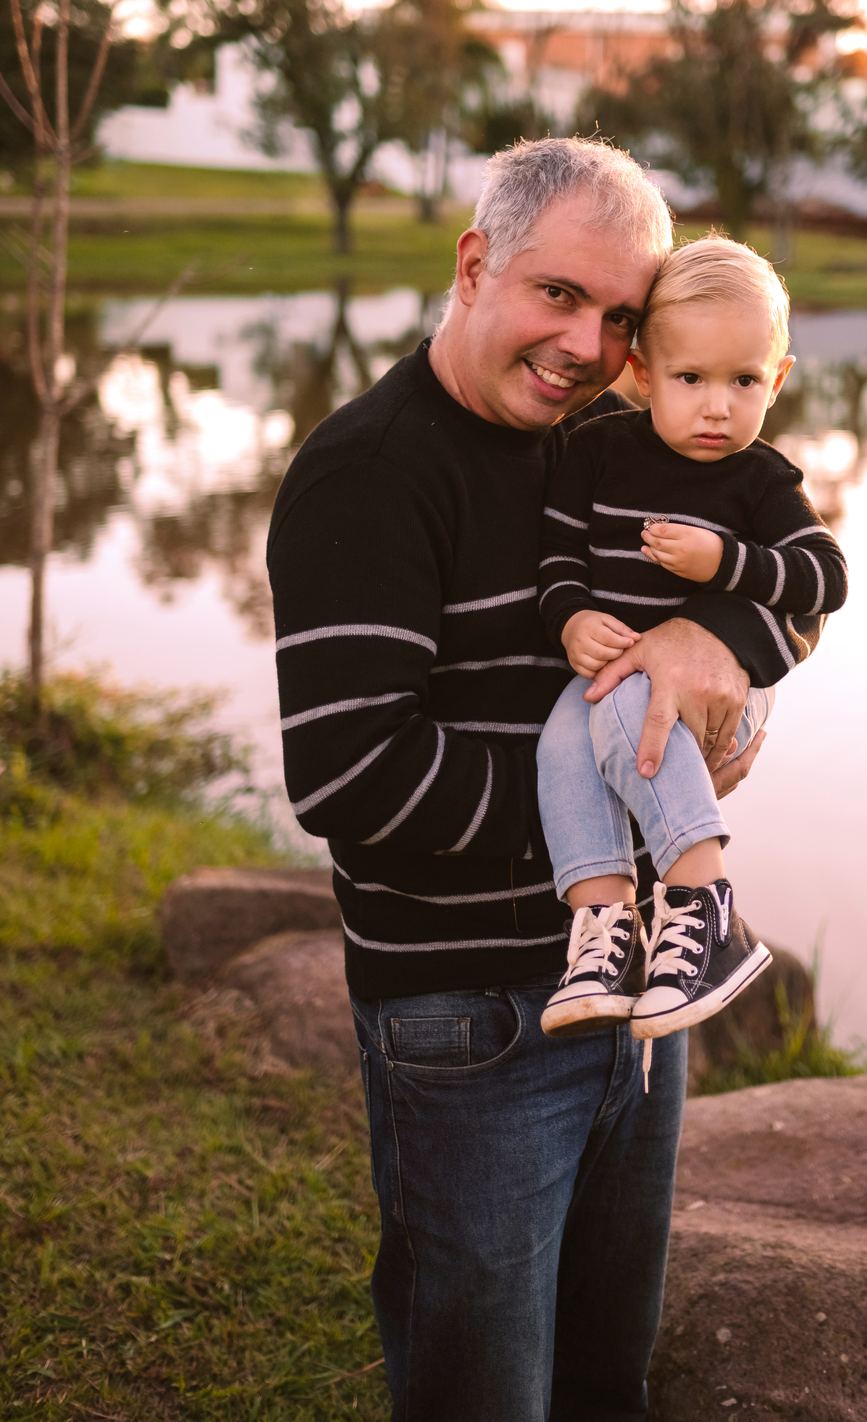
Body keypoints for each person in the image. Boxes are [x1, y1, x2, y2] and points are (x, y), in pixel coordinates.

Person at [266, 138, 825, 1422]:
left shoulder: (608, 454)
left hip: (631, 1003)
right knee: (486, 1399)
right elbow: (355, 781)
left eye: (621, 317)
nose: (586, 344)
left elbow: (782, 584)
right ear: (474, 266)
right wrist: (612, 790)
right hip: (471, 1027)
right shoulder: (370, 472)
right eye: (558, 295)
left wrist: (718, 652)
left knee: (599, 1383)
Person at [536, 237, 848, 1051]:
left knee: (629, 705)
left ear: (777, 380)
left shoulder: (761, 480)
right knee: (562, 739)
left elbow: (827, 580)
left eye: (744, 381)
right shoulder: (596, 451)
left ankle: (703, 909)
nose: (718, 407)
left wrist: (726, 563)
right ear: (642, 375)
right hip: (612, 678)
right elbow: (559, 557)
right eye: (691, 380)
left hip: (721, 697)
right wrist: (569, 620)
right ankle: (604, 931)